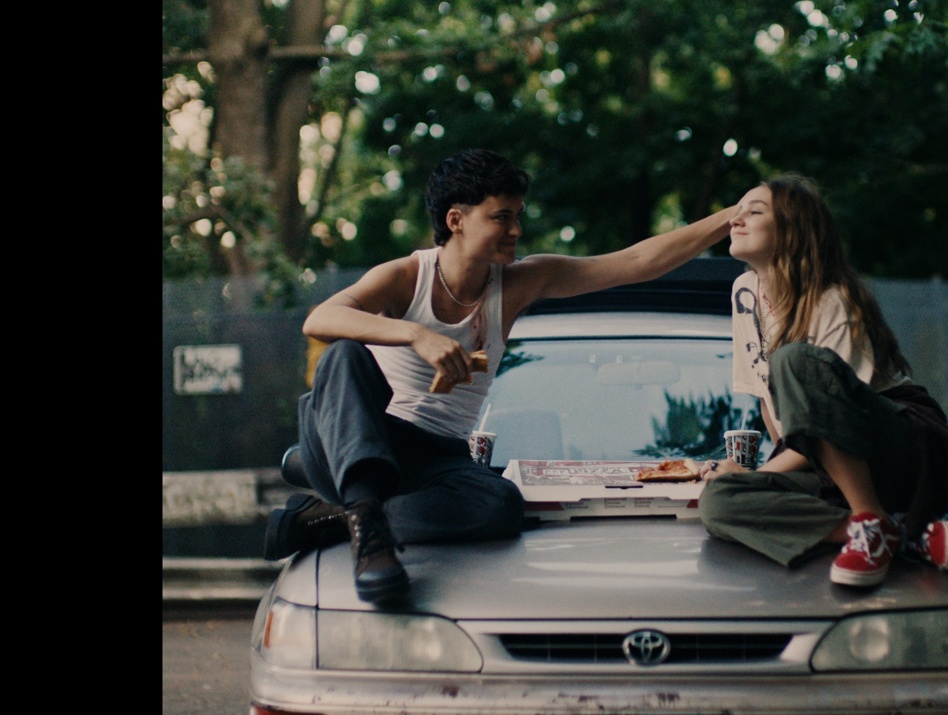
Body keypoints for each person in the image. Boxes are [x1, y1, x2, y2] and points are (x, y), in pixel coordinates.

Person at [263, 148, 734, 603]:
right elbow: (320, 319)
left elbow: (636, 263)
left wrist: (732, 215)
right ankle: (368, 532)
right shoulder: (406, 277)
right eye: (501, 217)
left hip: (436, 458)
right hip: (362, 441)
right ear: (456, 220)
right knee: (343, 355)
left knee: (501, 505)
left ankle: (335, 519)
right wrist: (415, 335)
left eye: (517, 216)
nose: (516, 230)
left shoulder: (520, 283)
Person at [697, 174, 948, 588]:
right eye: (738, 211)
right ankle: (901, 536)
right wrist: (755, 481)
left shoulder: (833, 298)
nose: (736, 220)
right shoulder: (744, 291)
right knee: (718, 503)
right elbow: (771, 405)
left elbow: (831, 423)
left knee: (794, 361)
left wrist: (759, 475)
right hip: (825, 465)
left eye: (755, 211)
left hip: (891, 443)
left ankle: (870, 519)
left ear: (792, 229)